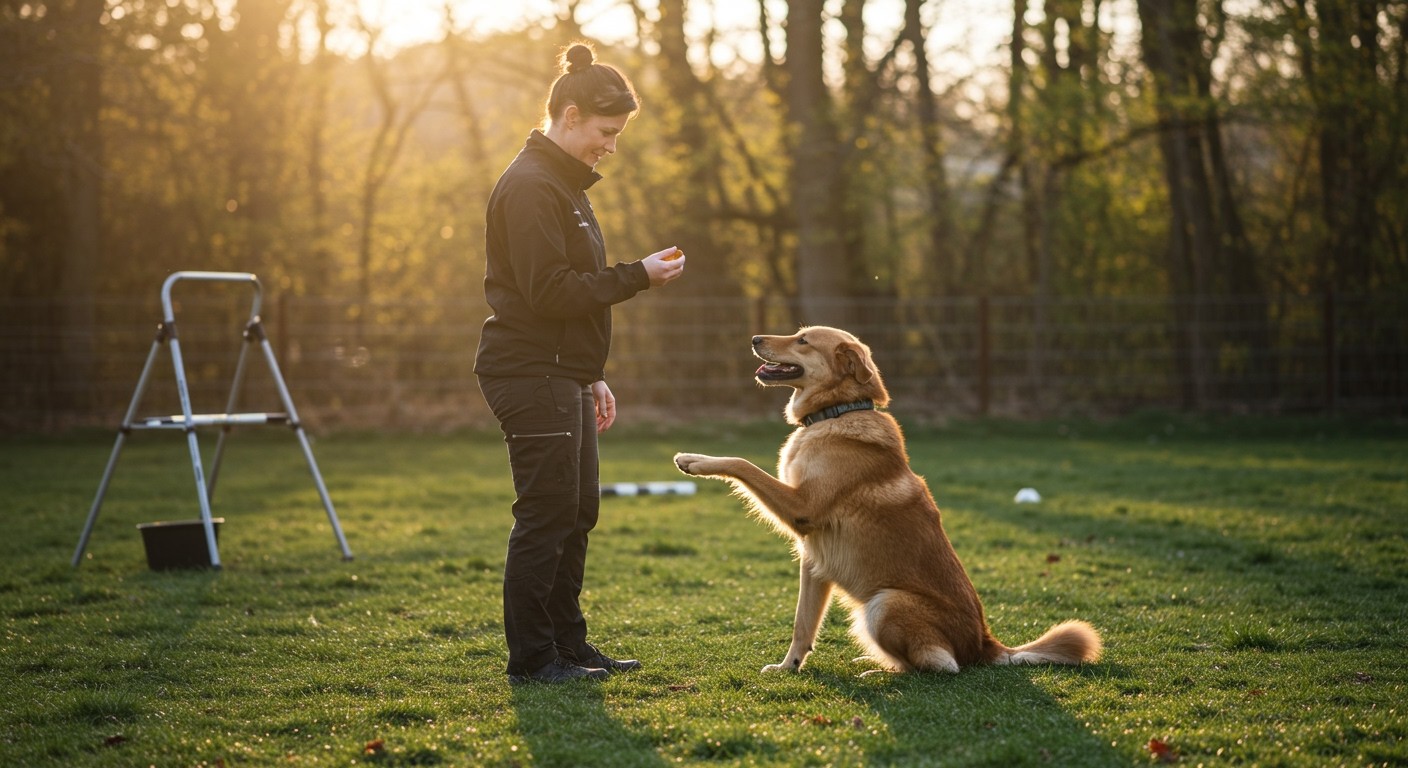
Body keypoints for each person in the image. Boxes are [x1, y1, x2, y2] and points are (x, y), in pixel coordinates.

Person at [473, 42, 686, 685]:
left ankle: (569, 647)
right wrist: (637, 275)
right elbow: (550, 293)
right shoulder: (531, 187)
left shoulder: (563, 187)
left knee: (577, 512)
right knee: (547, 515)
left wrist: (591, 373)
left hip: (559, 370)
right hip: (527, 371)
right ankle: (533, 660)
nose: (611, 146)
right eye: (605, 132)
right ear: (569, 116)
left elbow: (569, 294)